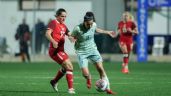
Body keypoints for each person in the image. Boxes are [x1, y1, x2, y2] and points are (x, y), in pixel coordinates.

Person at [69, 11, 115, 95]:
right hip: (81, 52)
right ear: (84, 22)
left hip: (93, 50)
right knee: (85, 73)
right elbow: (71, 36)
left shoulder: (93, 25)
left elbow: (96, 29)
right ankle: (88, 79)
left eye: (91, 24)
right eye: (88, 24)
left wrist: (107, 32)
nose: (90, 26)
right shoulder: (77, 28)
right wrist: (72, 39)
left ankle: (108, 89)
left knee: (101, 69)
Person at [45, 8, 75, 94]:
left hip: (61, 50)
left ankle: (54, 82)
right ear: (57, 16)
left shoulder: (64, 26)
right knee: (69, 67)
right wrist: (53, 41)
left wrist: (73, 38)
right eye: (62, 16)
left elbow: (69, 34)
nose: (64, 18)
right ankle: (71, 89)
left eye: (65, 16)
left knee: (66, 67)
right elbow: (47, 34)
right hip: (55, 51)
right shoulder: (53, 23)